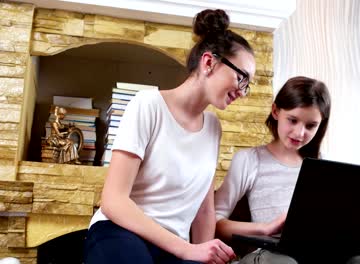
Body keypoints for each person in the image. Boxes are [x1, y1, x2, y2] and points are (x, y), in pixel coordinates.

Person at [84, 9, 255, 264]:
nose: (242, 91)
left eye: (247, 85)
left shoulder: (212, 127)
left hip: (173, 247)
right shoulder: (148, 105)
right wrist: (186, 250)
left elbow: (204, 210)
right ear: (209, 62)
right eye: (241, 78)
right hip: (120, 232)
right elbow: (113, 200)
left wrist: (203, 256)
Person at [214, 76, 360, 264]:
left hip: (318, 252)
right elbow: (217, 223)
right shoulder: (250, 160)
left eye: (310, 126)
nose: (300, 133)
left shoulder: (321, 165)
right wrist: (266, 228)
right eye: (292, 120)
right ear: (275, 111)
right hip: (271, 255)